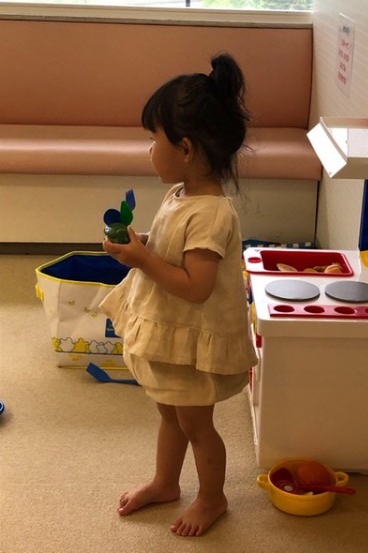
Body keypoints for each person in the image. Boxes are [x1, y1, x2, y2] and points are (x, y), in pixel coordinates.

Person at [100, 52, 257, 537]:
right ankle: (166, 482)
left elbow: (196, 286)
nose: (150, 149)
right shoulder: (181, 194)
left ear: (185, 149)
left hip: (192, 339)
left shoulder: (211, 213)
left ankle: (213, 498)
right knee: (168, 413)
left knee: (196, 426)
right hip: (173, 333)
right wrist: (143, 244)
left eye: (154, 139)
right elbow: (174, 246)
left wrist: (143, 260)